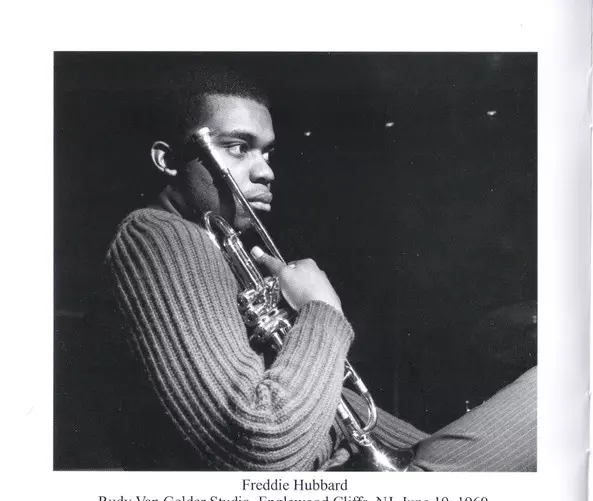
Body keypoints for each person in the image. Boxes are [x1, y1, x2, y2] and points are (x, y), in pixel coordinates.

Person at [104, 66, 536, 472]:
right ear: (168, 160)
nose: (266, 171)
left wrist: (420, 449)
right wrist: (321, 309)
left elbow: (332, 415)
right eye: (238, 147)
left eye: (267, 152)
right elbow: (258, 448)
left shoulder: (213, 243)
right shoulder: (157, 233)